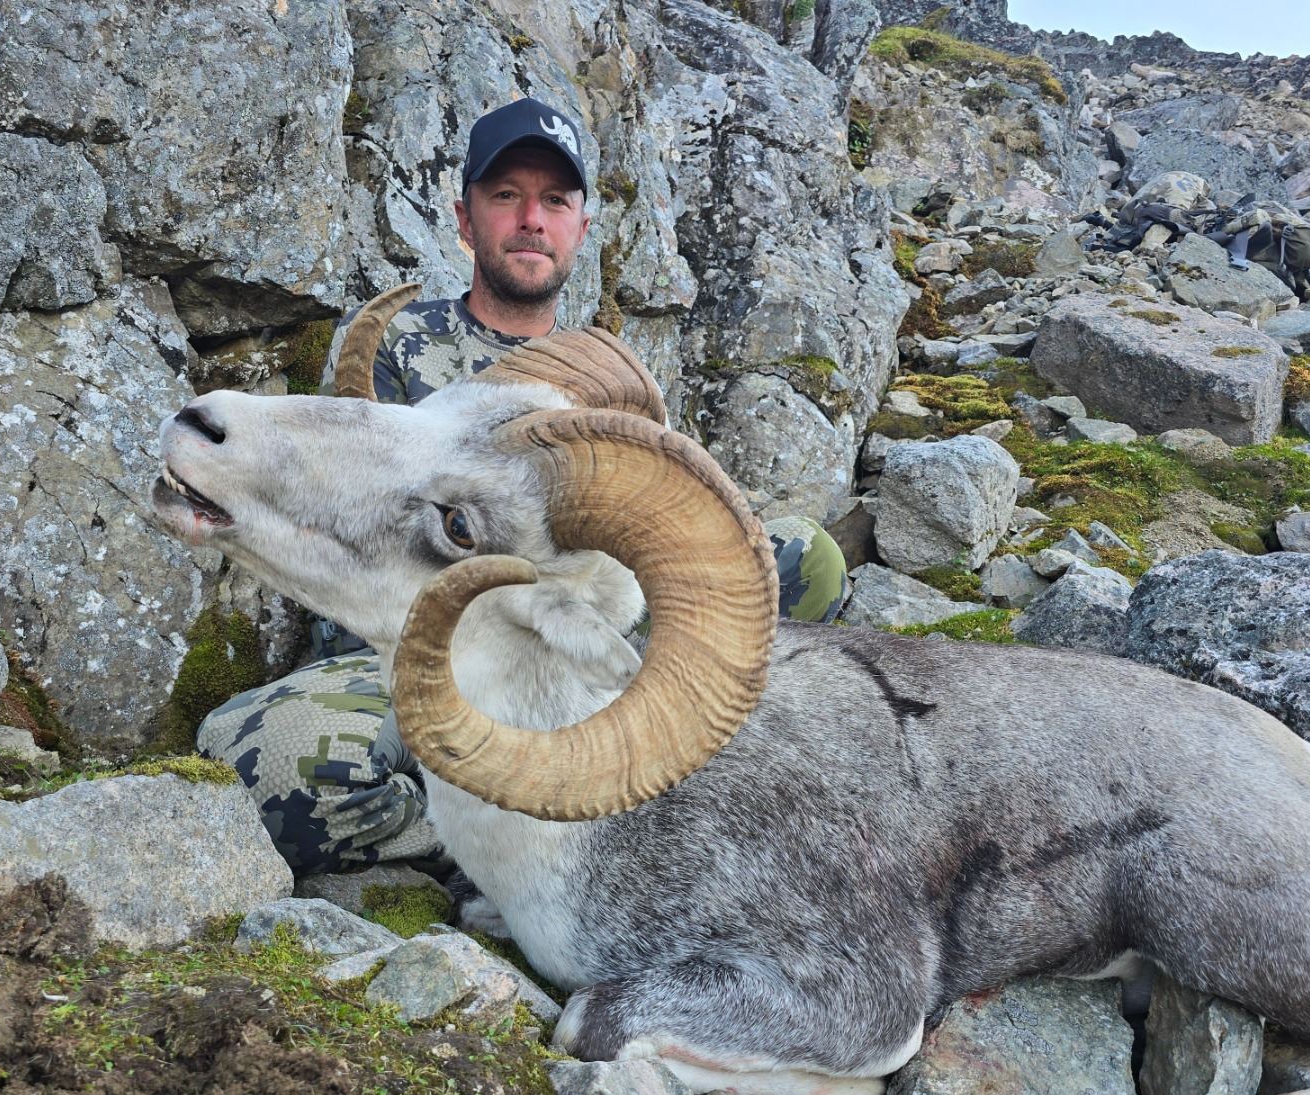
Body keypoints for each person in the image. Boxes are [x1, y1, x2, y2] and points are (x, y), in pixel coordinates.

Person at [197, 97, 852, 874]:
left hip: (578, 630)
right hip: (427, 641)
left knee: (806, 559)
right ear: (465, 219)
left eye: (555, 201)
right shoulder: (402, 343)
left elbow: (659, 533)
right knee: (281, 765)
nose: (531, 220)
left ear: (581, 227)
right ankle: (492, 840)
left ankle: (634, 757)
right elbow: (343, 517)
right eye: (506, 196)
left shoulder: (603, 382)